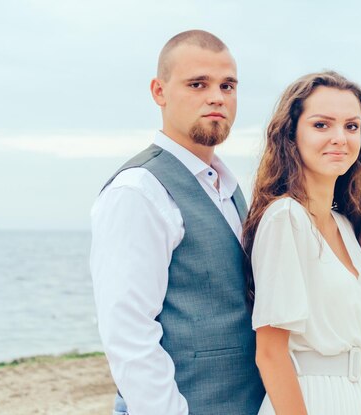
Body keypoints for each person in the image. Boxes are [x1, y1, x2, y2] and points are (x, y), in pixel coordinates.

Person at [90, 30, 265, 415]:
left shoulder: (229, 189)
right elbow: (129, 334)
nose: (217, 97)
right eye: (198, 84)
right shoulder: (139, 190)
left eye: (228, 85)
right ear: (159, 91)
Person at [242, 71, 361, 414]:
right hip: (306, 397)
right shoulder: (285, 218)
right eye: (322, 125)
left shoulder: (345, 225)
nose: (340, 137)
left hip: (351, 396)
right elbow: (270, 353)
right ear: (291, 134)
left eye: (352, 126)